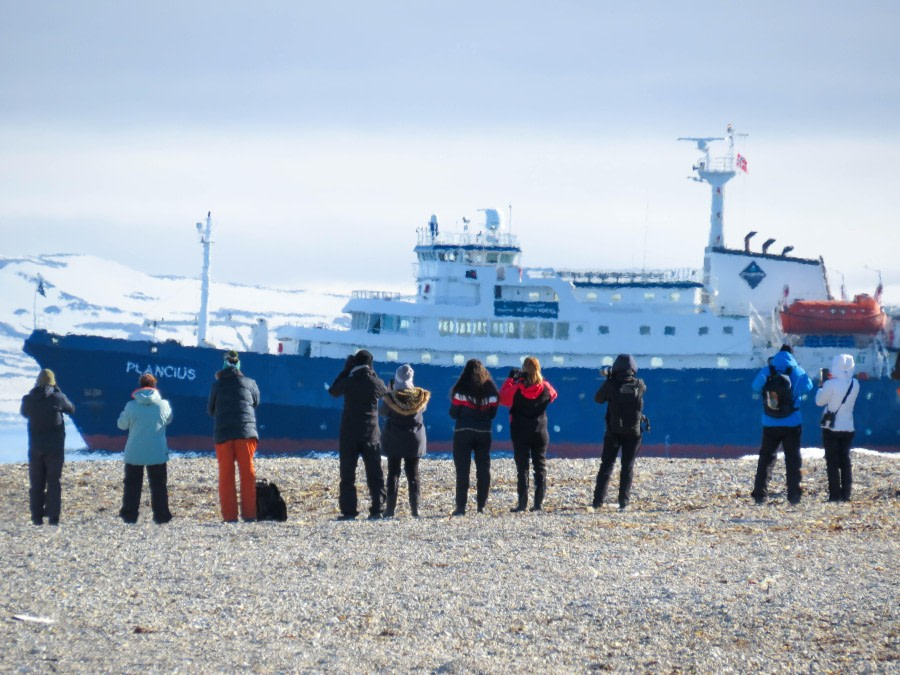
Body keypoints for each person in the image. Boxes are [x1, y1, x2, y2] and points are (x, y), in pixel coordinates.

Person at [750, 345, 814, 505]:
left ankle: (760, 494)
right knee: (792, 459)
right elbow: (809, 387)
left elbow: (755, 387)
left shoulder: (767, 370)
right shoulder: (797, 371)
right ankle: (794, 495)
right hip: (792, 423)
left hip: (770, 421)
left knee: (766, 458)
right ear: (792, 355)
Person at [328, 350, 387, 520]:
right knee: (375, 474)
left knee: (347, 475)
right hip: (371, 434)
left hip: (349, 434)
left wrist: (346, 370)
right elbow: (383, 391)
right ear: (370, 364)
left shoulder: (349, 381)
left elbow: (333, 391)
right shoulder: (376, 382)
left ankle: (349, 511)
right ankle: (377, 509)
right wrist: (372, 372)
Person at [499, 356, 558, 512]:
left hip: (520, 432)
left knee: (522, 468)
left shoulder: (518, 388)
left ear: (524, 370)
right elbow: (553, 395)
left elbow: (503, 398)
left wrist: (512, 379)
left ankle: (522, 504)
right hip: (540, 431)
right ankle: (538, 504)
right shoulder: (545, 386)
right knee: (540, 466)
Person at [208, 349, 260, 522]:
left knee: (226, 476)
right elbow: (256, 402)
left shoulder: (217, 386)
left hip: (224, 435)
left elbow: (210, 410)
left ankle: (230, 517)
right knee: (247, 474)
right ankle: (250, 515)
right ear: (239, 365)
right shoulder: (251, 382)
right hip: (246, 434)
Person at [592, 354, 647, 510]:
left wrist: (609, 379)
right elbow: (642, 391)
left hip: (613, 432)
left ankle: (597, 502)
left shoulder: (611, 384)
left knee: (607, 466)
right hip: (634, 432)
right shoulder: (639, 384)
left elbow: (598, 399)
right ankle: (623, 502)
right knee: (627, 467)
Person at [117, 373, 173, 524]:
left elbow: (121, 425)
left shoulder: (131, 406)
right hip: (157, 451)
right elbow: (168, 419)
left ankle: (129, 515)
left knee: (132, 484)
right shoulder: (164, 404)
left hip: (135, 452)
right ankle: (161, 515)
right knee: (159, 485)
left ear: (140, 386)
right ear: (155, 386)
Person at [20, 369, 74, 526]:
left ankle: (36, 517)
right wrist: (58, 391)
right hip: (55, 448)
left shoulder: (28, 399)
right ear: (53, 382)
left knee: (36, 483)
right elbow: (71, 409)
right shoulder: (58, 397)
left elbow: (24, 413)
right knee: (53, 481)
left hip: (36, 448)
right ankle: (53, 517)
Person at [378, 364, 430, 518]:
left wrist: (388, 392)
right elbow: (422, 410)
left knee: (393, 473)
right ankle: (415, 510)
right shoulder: (420, 396)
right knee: (413, 474)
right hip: (414, 440)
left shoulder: (391, 397)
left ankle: (390, 510)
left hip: (394, 439)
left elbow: (382, 412)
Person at [449, 359, 499, 515]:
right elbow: (492, 414)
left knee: (462, 470)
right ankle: (481, 506)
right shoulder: (490, 389)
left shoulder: (461, 388)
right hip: (484, 433)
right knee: (483, 468)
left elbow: (453, 413)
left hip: (463, 432)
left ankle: (461, 507)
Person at [815, 354, 860, 502]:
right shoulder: (855, 384)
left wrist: (821, 386)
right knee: (845, 461)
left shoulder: (830, 384)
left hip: (831, 427)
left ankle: (835, 495)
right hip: (848, 426)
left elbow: (819, 402)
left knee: (832, 462)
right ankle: (846, 494)